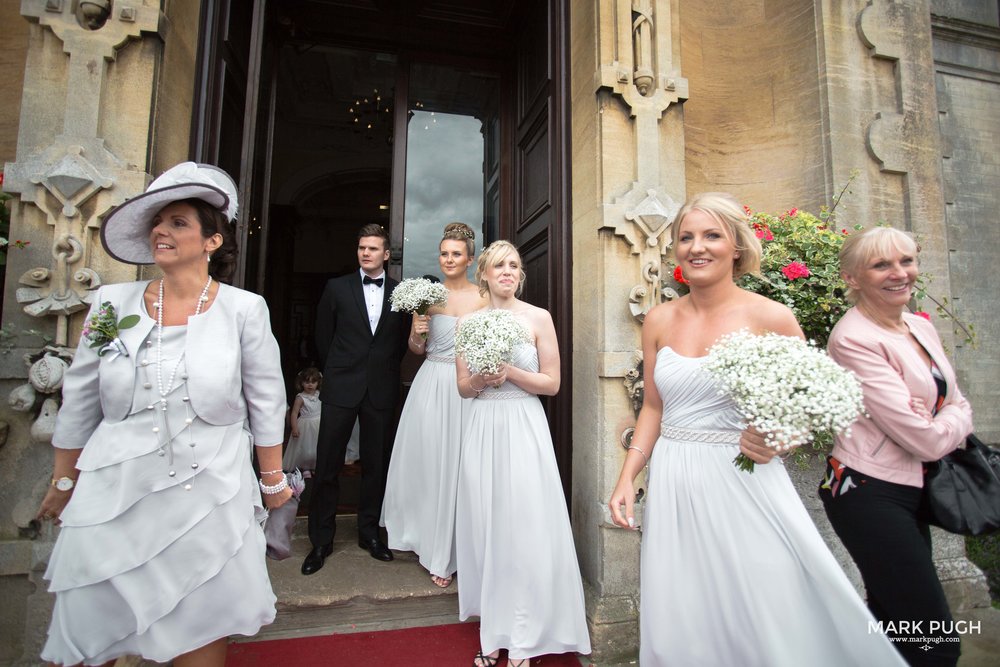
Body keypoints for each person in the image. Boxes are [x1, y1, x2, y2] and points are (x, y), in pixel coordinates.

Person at [608, 193, 906, 666]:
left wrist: (778, 439)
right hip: (675, 479)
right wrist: (628, 476)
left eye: (711, 235)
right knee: (683, 606)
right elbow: (654, 408)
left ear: (737, 248)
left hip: (744, 479)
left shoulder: (771, 317)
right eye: (686, 237)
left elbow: (808, 410)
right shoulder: (659, 319)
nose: (696, 247)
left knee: (766, 604)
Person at [34, 162, 292, 666]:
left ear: (211, 242)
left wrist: (273, 479)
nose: (161, 231)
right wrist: (64, 481)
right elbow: (81, 397)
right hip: (114, 492)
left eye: (177, 223)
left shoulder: (244, 309)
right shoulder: (111, 304)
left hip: (209, 493)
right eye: (158, 222)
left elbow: (267, 401)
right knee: (91, 626)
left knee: (200, 620)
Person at [819, 226, 973, 666]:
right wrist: (951, 418)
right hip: (867, 491)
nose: (899, 273)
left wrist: (946, 415)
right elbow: (925, 438)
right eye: (881, 264)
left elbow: (955, 401)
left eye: (906, 261)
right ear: (852, 277)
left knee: (894, 628)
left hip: (912, 489)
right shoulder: (853, 338)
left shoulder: (919, 326)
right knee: (935, 640)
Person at [455, 240, 591, 667]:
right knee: (487, 525)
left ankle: (527, 634)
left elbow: (552, 383)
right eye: (499, 266)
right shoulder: (468, 322)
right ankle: (493, 631)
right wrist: (481, 377)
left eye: (514, 265)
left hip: (524, 426)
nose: (508, 272)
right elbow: (462, 389)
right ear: (485, 274)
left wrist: (509, 372)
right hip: (484, 427)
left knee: (524, 525)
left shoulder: (538, 318)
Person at [381, 222, 489, 588]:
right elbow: (417, 349)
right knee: (432, 465)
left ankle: (462, 547)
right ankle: (432, 543)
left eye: (456, 254)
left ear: (470, 259)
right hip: (432, 385)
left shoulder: (484, 297)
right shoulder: (427, 296)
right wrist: (416, 332)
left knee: (465, 467)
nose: (449, 259)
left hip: (471, 390)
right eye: (444, 253)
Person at [303, 223, 409, 573]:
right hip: (341, 386)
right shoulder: (336, 288)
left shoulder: (400, 294)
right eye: (362, 247)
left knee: (376, 466)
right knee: (328, 465)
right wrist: (336, 372)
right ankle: (321, 540)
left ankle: (370, 534)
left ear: (386, 254)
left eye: (373, 248)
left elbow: (400, 343)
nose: (366, 253)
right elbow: (322, 336)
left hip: (381, 388)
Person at [282, 367, 323, 475]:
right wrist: (294, 427)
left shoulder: (319, 394)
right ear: (301, 383)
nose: (310, 385)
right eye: (307, 382)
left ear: (318, 383)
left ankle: (314, 465)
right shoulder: (300, 397)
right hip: (305, 425)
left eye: (313, 382)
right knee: (305, 448)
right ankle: (305, 468)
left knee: (316, 447)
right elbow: (294, 413)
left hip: (318, 423)